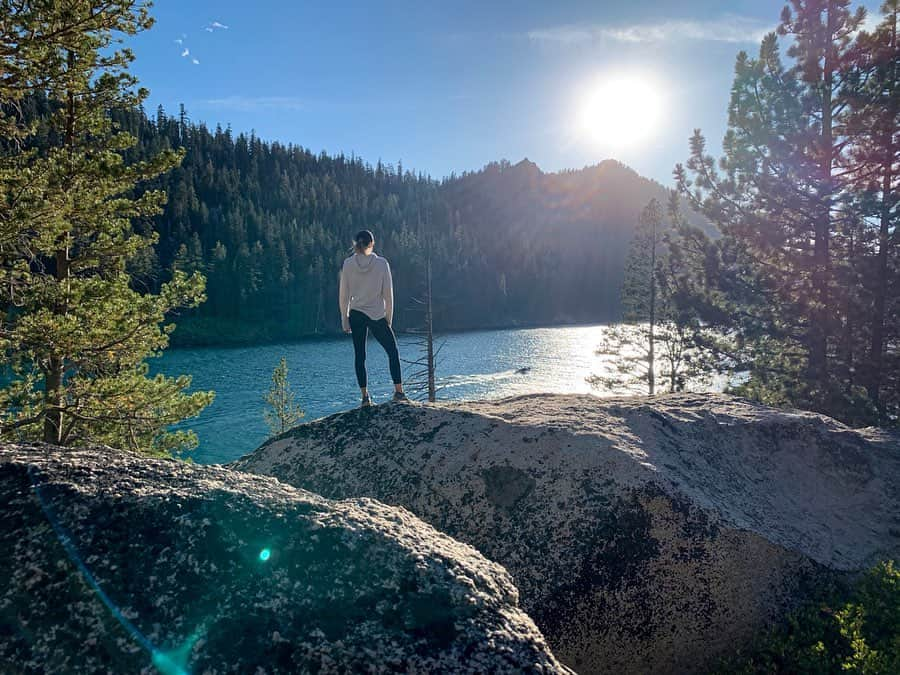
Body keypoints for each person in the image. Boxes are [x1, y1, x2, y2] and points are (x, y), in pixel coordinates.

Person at [339, 230, 407, 407]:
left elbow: (344, 295)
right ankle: (399, 392)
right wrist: (388, 319)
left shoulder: (348, 264)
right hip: (377, 314)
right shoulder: (382, 264)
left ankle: (365, 397)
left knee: (360, 355)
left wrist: (344, 319)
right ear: (372, 244)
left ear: (356, 244)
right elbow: (388, 295)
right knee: (392, 351)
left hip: (356, 313)